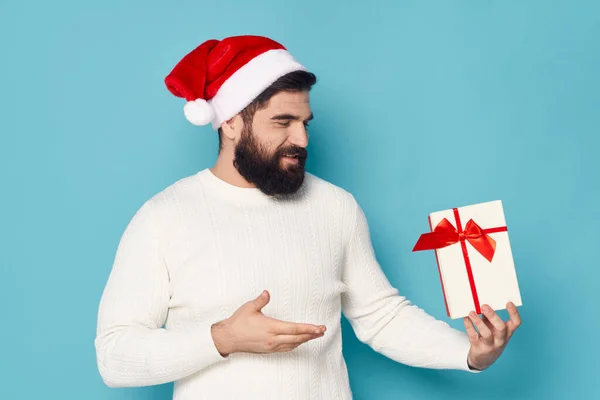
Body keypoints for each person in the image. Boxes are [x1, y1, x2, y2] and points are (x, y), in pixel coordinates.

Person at [94, 34, 521, 399]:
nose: (300, 138)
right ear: (229, 123)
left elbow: (381, 317)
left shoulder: (336, 206)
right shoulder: (163, 217)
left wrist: (468, 354)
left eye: (305, 122)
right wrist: (221, 339)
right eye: (282, 122)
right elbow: (114, 358)